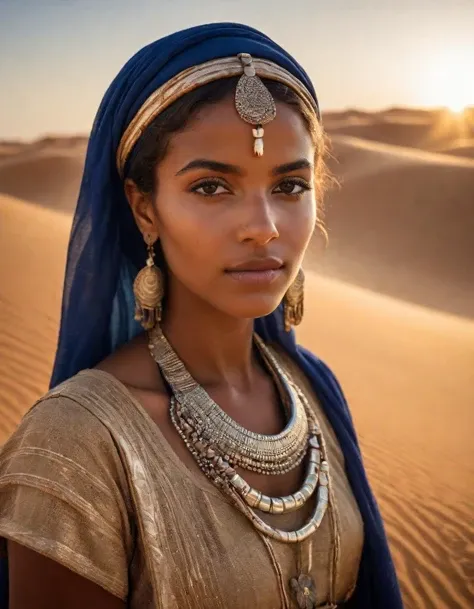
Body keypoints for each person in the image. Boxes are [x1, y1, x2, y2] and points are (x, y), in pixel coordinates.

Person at [0, 23, 403, 609]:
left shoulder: (312, 388)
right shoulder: (79, 445)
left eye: (290, 185)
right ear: (145, 209)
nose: (263, 226)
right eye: (212, 187)